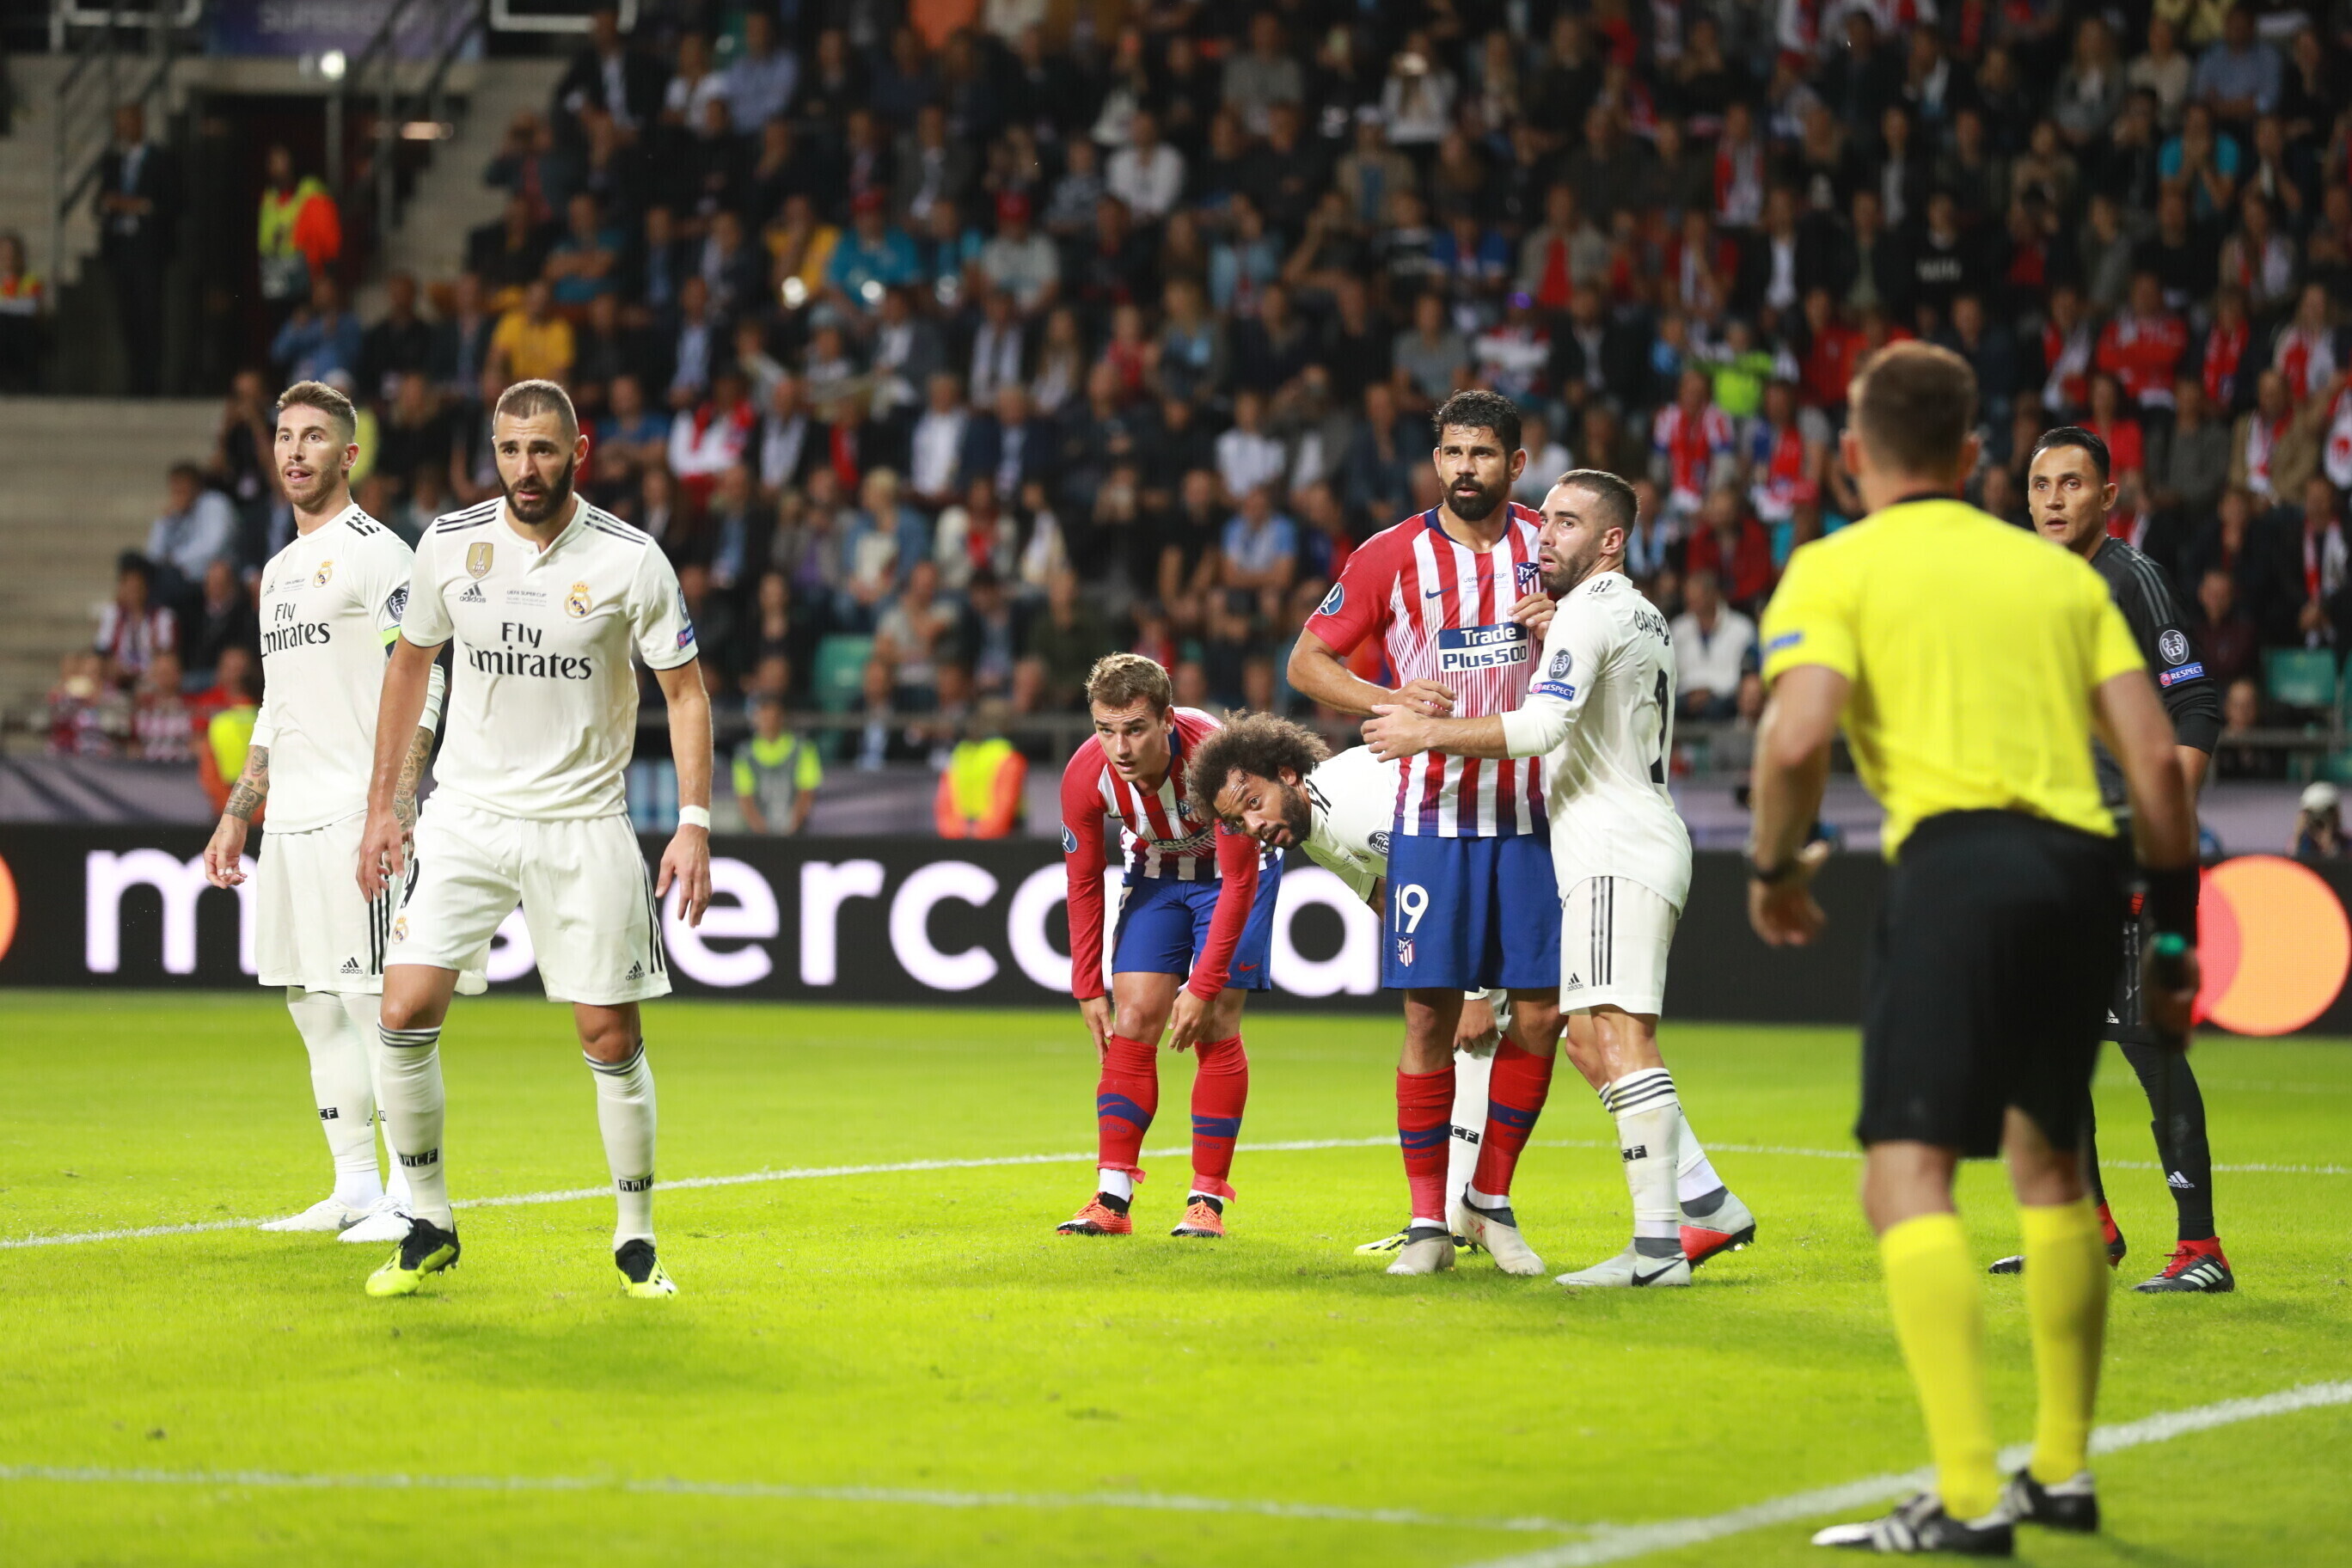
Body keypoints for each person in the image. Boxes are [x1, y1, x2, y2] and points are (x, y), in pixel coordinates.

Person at [1749, 342, 2200, 1552]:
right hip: (2083, 874)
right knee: (2051, 1170)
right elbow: (2159, 769)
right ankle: (2061, 1472)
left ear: (1852, 455)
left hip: (1954, 870)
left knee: (1905, 1176)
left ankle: (1963, 1495)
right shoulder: (2058, 580)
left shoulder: (1834, 568)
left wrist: (1774, 869)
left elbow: (1793, 740)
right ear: (1971, 456)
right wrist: (2176, 936)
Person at [355, 379, 714, 1301]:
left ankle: (636, 1237)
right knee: (403, 1010)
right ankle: (428, 1221)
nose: (526, 467)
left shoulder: (631, 559)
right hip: (468, 814)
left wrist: (695, 823)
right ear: (494, 451)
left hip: (584, 821)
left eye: (544, 449)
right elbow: (408, 669)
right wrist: (384, 806)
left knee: (607, 1033)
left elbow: (685, 694)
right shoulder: (449, 544)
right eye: (511, 449)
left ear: (578, 452)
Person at [1364, 469, 1754, 1289]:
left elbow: (1542, 726)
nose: (1544, 536)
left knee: (1622, 1039)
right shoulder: (1641, 612)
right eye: (1544, 522)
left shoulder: (1583, 612)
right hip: (1628, 838)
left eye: (1568, 523)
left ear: (1611, 541)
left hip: (1614, 845)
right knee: (1589, 1038)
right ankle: (1706, 1204)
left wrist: (1426, 733)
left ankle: (1658, 1251)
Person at [1191, 713, 1756, 1272]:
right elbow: (1387, 898)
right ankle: (1476, 1210)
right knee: (1569, 1044)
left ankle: (1697, 1203)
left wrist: (1475, 989)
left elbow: (1460, 849)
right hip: (1529, 868)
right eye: (1238, 821)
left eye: (1253, 801)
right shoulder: (1315, 833)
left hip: (1550, 857)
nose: (1253, 824)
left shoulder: (1355, 797)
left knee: (1591, 1039)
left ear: (1287, 774)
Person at [1285, 389, 1564, 1278]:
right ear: (1435, 459)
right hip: (1432, 817)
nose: (1464, 470)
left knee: (1541, 1014)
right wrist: (1387, 698)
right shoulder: (1391, 554)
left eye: (1482, 454)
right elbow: (1307, 660)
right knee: (1427, 1015)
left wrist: (1567, 627)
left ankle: (1492, 1202)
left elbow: (1613, 646)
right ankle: (1425, 1225)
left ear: (1515, 463)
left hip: (1534, 814)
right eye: (1451, 453)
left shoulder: (1549, 545)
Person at [199, 381, 450, 1241]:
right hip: (292, 821)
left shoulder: (380, 554)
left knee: (379, 1007)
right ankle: (354, 1189)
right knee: (312, 1005)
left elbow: (425, 679)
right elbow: (278, 701)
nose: (294, 450)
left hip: (357, 814)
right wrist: (240, 809)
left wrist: (399, 800)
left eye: (312, 437)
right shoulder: (276, 571)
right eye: (283, 436)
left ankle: (415, 1202)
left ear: (348, 455)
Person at [2006, 426, 2232, 1293]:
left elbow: (2196, 705)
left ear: (2108, 496)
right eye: (2041, 485)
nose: (2054, 499)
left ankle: (2201, 1248)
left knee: (2148, 1048)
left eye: (2072, 484)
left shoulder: (2133, 582)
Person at [1054, 654, 1274, 1241]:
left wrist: (1202, 986)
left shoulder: (1218, 761)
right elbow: (1082, 882)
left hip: (1234, 876)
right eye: (1106, 730)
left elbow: (1239, 881)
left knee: (1217, 1019)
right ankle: (1112, 1199)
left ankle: (1206, 1201)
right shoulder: (1085, 775)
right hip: (1157, 870)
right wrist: (1086, 987)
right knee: (1133, 1019)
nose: (1120, 748)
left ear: (1168, 720)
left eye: (1135, 729)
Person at [94, 102, 179, 395]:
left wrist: (140, 206)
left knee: (149, 315)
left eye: (127, 121)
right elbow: (100, 201)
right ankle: (133, 378)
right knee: (127, 316)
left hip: (149, 250)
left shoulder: (161, 159)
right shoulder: (112, 161)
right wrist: (111, 204)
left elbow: (174, 202)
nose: (123, 128)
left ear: (140, 122)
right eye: (119, 123)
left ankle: (151, 381)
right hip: (121, 249)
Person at [733, 689, 822, 836]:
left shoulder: (804, 749)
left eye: (773, 716)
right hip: (757, 837)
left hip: (795, 834)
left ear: (782, 717)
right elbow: (745, 799)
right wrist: (762, 834)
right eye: (763, 716)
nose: (768, 722)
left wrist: (791, 829)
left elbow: (806, 793)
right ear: (755, 718)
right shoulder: (744, 754)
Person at [2294, 781, 2344, 861]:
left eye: (2325, 814)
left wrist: (2329, 845)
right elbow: (2292, 863)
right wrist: (2297, 837)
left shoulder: (2346, 844)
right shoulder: (2303, 843)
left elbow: (2343, 865)